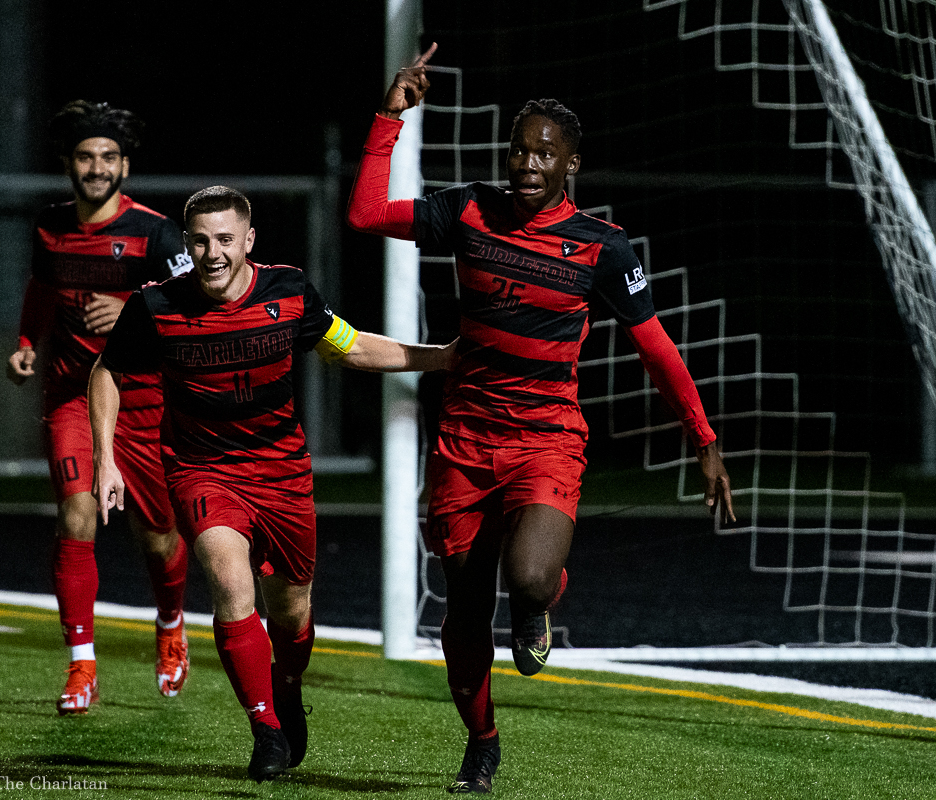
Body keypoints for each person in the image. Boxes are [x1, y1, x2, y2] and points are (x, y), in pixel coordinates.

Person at [347, 43, 736, 794]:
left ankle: (539, 605)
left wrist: (704, 439)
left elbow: (656, 348)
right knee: (464, 611)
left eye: (544, 154)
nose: (527, 164)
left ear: (571, 165)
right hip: (463, 443)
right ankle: (482, 742)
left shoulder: (601, 249)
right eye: (519, 150)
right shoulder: (467, 210)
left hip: (545, 442)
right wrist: (388, 118)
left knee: (526, 579)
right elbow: (365, 213)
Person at [89, 185, 456, 780]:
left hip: (282, 473)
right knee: (232, 586)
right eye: (201, 241)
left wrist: (438, 358)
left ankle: (286, 689)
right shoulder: (156, 306)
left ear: (249, 241)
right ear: (187, 243)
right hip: (200, 469)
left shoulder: (287, 292)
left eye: (226, 240)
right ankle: (265, 730)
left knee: (291, 611)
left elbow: (351, 345)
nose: (213, 253)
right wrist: (105, 455)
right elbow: (108, 371)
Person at [6, 100, 195, 716]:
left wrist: (133, 313)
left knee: (159, 537)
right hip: (71, 399)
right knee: (76, 517)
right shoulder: (50, 225)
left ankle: (170, 626)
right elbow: (41, 289)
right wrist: (28, 343)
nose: (97, 166)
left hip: (147, 407)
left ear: (125, 166)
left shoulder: (157, 233)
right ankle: (81, 666)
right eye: (86, 156)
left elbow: (199, 311)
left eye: (108, 157)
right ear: (69, 163)